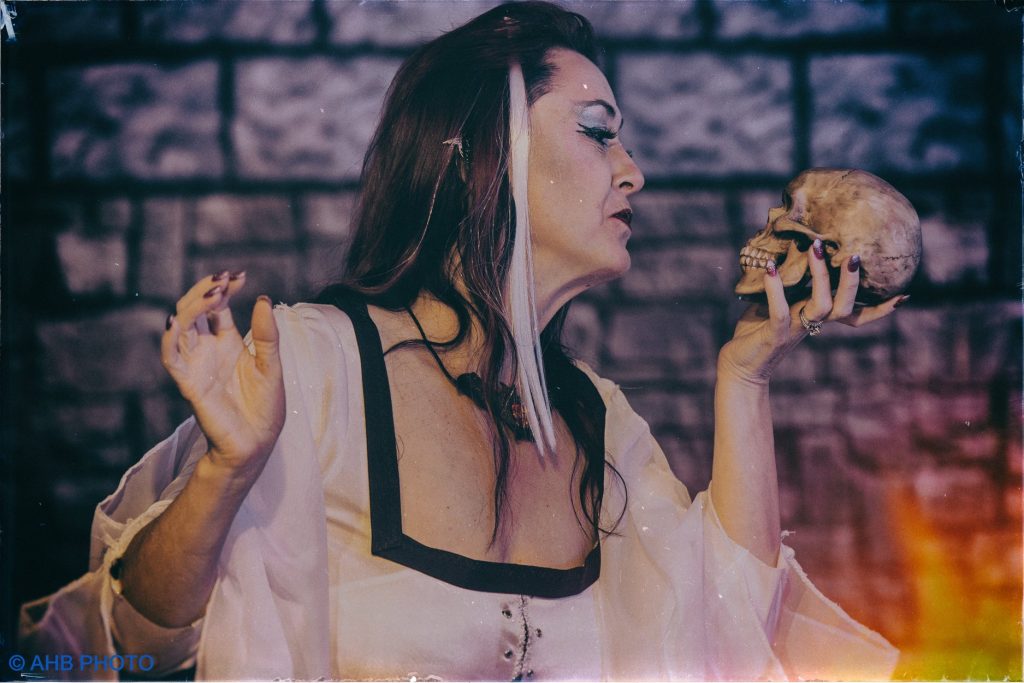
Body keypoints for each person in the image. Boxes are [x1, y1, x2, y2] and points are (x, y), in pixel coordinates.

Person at [20, 3, 902, 679]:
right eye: (598, 132)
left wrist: (745, 378)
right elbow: (132, 645)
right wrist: (227, 470)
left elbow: (725, 633)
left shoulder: (597, 422)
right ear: (489, 148)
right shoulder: (313, 367)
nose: (633, 171)